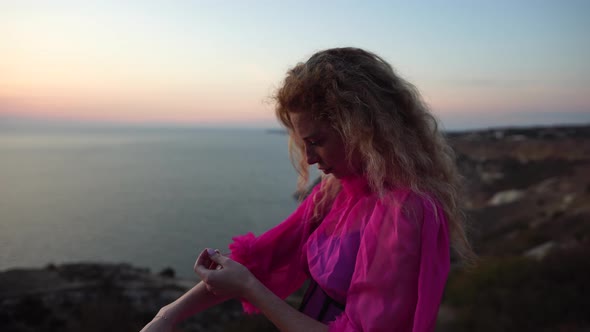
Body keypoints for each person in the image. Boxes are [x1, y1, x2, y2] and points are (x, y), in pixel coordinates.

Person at [140, 47, 473, 332]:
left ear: (363, 130)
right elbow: (263, 259)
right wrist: (166, 316)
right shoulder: (334, 192)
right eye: (304, 143)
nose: (310, 159)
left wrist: (249, 288)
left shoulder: (405, 211)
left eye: (317, 142)